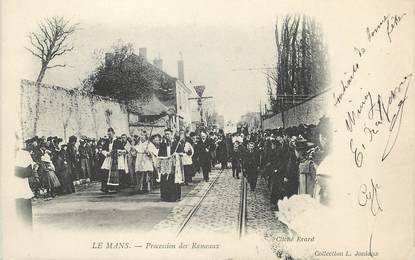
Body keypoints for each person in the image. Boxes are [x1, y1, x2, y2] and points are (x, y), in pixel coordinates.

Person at [100, 128, 127, 193]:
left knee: (116, 173)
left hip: (116, 160)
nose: (109, 136)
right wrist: (107, 153)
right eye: (108, 134)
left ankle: (115, 187)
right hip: (109, 158)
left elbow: (124, 150)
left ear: (113, 134)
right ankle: (105, 187)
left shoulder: (118, 141)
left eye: (110, 134)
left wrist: (119, 152)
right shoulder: (107, 142)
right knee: (105, 171)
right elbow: (103, 150)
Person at [158, 128, 181, 202]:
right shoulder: (162, 145)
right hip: (165, 165)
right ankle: (165, 197)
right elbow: (159, 155)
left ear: (171, 135)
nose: (167, 135)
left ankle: (174, 197)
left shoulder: (176, 143)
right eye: (166, 134)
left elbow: (181, 153)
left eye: (168, 134)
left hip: (174, 164)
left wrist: (176, 155)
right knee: (164, 179)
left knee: (173, 179)